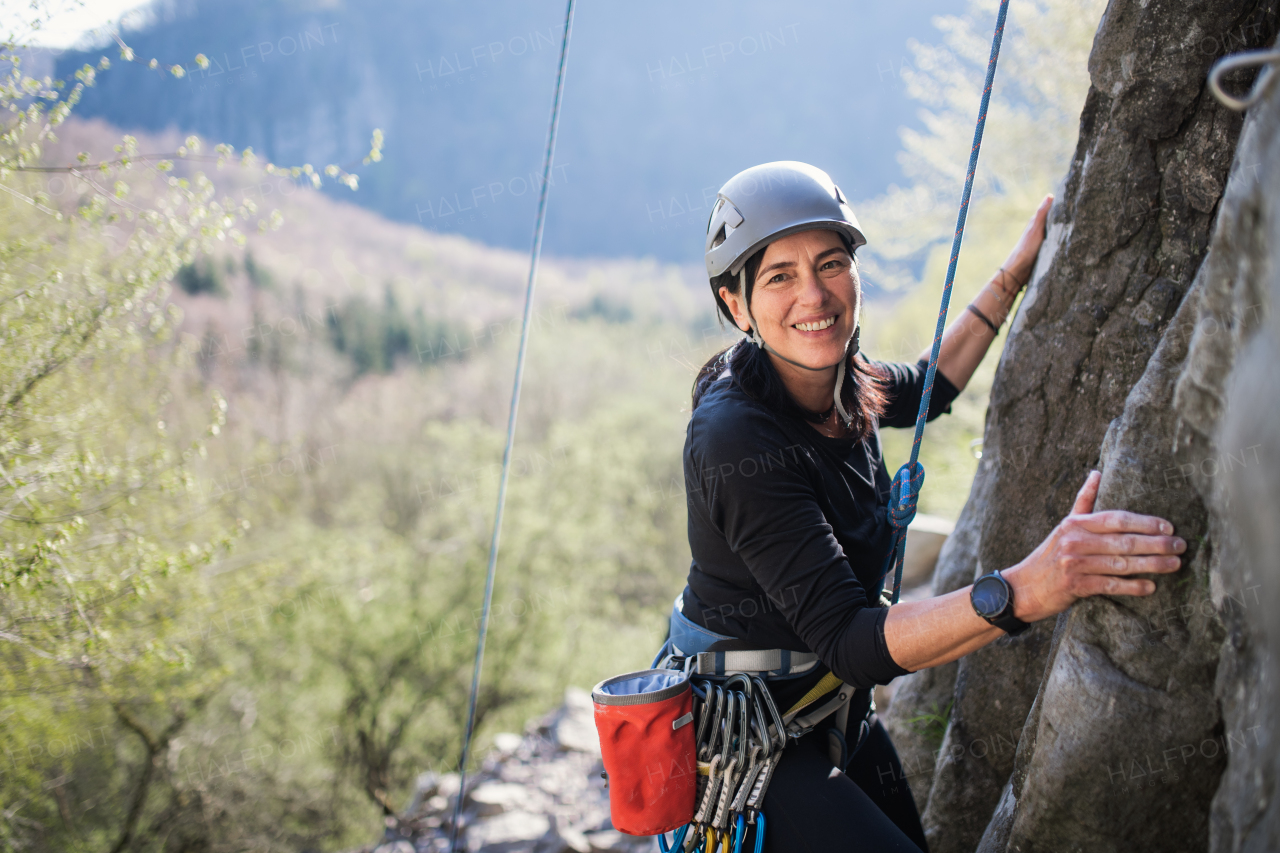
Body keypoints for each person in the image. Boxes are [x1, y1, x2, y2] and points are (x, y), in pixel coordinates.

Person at [677, 162, 1185, 852]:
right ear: (736, 305)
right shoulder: (735, 436)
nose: (815, 294)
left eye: (831, 263)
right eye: (779, 276)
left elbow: (923, 390)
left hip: (824, 706)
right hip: (748, 746)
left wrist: (1015, 276)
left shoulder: (836, 381)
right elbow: (855, 641)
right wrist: (1031, 586)